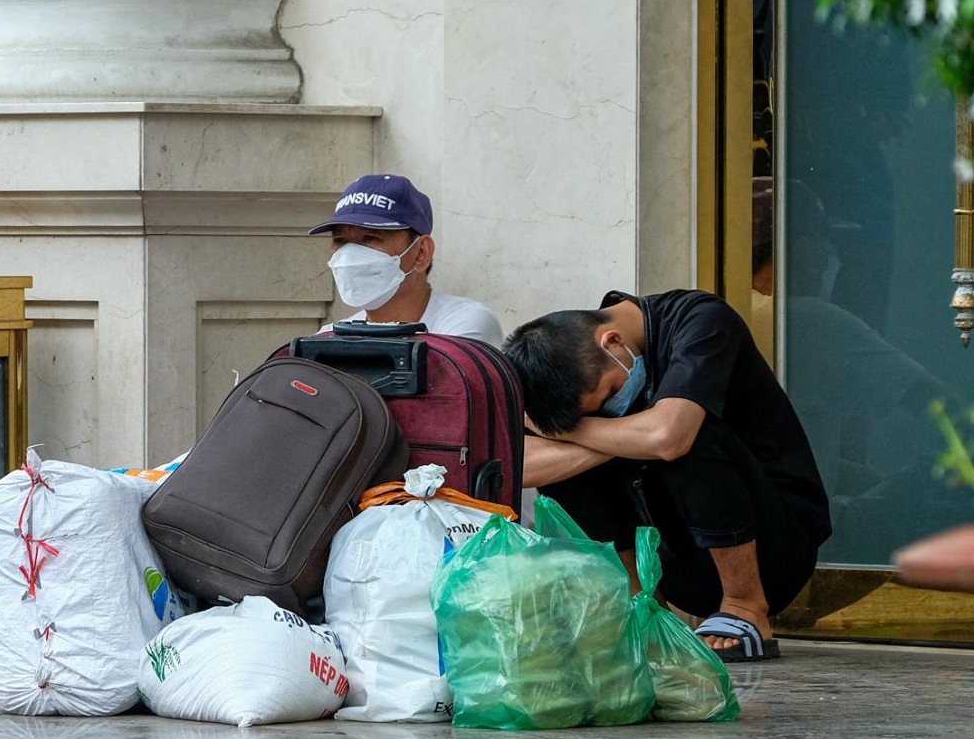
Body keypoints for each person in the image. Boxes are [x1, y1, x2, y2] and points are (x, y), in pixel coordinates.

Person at [504, 290, 833, 662]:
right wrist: (614, 438)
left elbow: (671, 436)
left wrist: (567, 433)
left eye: (609, 393)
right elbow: (520, 466)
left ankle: (745, 607)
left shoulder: (701, 320)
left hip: (773, 547)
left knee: (688, 432)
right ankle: (643, 607)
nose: (612, 404)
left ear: (613, 342)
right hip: (673, 560)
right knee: (568, 465)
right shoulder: (562, 370)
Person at [311, 174, 503, 346]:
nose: (349, 255)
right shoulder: (328, 337)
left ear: (421, 253)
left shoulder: (463, 326)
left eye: (369, 238)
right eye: (340, 240)